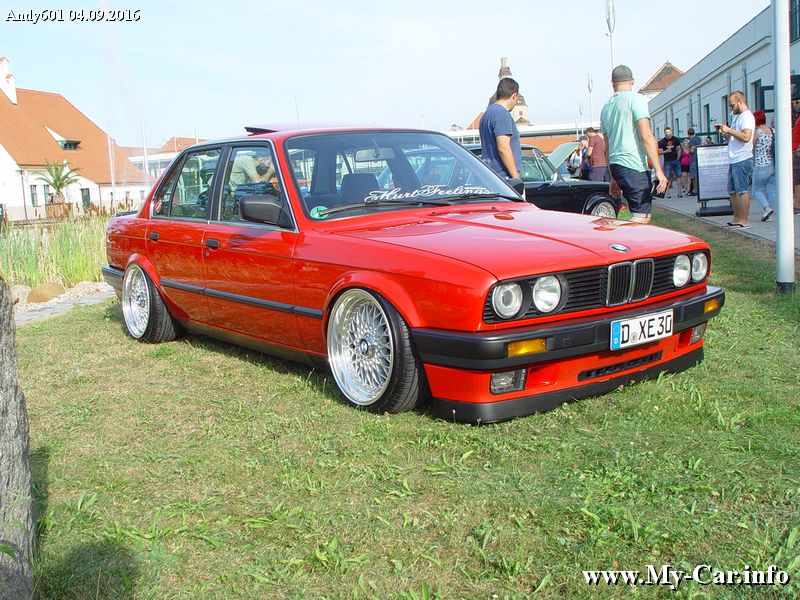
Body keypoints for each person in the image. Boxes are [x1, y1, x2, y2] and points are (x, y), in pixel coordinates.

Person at [600, 65, 668, 224]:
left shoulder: (606, 107)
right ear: (632, 81)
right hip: (634, 165)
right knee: (642, 216)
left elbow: (607, 147)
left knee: (636, 214)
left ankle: (614, 233)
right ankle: (613, 236)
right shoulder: (636, 100)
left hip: (616, 165)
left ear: (612, 83)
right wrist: (658, 170)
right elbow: (646, 136)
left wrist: (613, 178)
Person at [716, 90, 755, 228]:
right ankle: (736, 218)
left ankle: (744, 220)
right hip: (734, 158)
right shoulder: (736, 117)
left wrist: (729, 130)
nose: (731, 108)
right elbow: (733, 138)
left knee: (742, 190)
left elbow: (746, 137)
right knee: (732, 190)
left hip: (743, 158)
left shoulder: (747, 117)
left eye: (732, 105)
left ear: (740, 102)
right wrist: (724, 132)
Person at [479, 78, 521, 179]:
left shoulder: (487, 114)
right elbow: (503, 148)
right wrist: (516, 178)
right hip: (504, 177)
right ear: (514, 96)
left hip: (490, 176)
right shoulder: (502, 114)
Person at [751, 109, 775, 222]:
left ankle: (767, 208)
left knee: (756, 189)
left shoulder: (757, 132)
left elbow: (751, 146)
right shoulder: (772, 130)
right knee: (771, 190)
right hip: (772, 164)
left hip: (760, 164)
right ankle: (772, 212)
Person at [657, 127, 683, 196]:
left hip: (675, 160)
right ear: (664, 133)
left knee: (678, 176)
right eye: (666, 132)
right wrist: (666, 151)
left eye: (668, 132)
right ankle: (668, 193)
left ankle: (680, 192)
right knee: (667, 177)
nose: (667, 134)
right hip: (667, 161)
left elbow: (679, 148)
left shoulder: (675, 139)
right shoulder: (662, 141)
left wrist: (678, 158)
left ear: (671, 132)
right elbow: (659, 152)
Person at [686, 128, 702, 196]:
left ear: (688, 134)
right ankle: (698, 189)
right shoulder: (698, 139)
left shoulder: (691, 141)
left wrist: (687, 147)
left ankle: (695, 190)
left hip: (693, 160)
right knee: (697, 175)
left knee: (694, 176)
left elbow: (691, 151)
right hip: (699, 159)